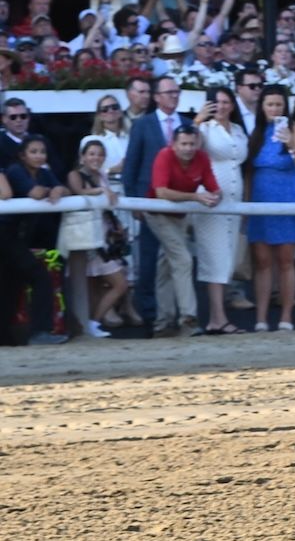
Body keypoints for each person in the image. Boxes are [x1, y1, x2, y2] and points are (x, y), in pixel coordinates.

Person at [122, 77, 190, 328]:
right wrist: (135, 203)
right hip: (149, 203)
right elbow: (131, 165)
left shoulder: (187, 124)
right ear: (157, 97)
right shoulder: (142, 125)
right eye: (168, 92)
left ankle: (169, 315)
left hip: (181, 206)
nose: (173, 96)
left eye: (176, 91)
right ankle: (151, 316)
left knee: (171, 262)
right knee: (149, 261)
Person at [246, 84, 295, 332]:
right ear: (262, 107)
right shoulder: (256, 132)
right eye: (270, 105)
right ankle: (261, 318)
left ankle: (286, 317)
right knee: (262, 261)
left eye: (278, 105)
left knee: (285, 260)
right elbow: (249, 171)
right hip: (260, 200)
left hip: (287, 198)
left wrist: (291, 144)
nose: (274, 109)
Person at [148, 124, 220, 338]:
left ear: (197, 143)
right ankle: (188, 319)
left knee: (167, 265)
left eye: (191, 144)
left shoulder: (202, 158)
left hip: (179, 216)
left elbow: (214, 188)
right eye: (184, 144)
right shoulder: (164, 156)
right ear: (174, 144)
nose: (188, 148)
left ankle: (163, 322)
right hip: (158, 213)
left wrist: (215, 197)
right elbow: (161, 192)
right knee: (183, 259)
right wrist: (197, 197)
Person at [192, 87, 249, 335]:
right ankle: (217, 318)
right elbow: (185, 146)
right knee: (215, 260)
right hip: (211, 203)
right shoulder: (203, 130)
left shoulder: (238, 130)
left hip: (233, 205)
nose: (222, 106)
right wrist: (197, 119)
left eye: (226, 102)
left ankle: (219, 317)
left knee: (227, 260)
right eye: (217, 102)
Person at [63, 138, 127, 339]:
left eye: (100, 154)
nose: (96, 158)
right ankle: (91, 323)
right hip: (86, 239)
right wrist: (101, 190)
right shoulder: (74, 174)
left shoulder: (102, 176)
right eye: (91, 154)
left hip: (102, 238)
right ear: (82, 157)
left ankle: (90, 324)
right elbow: (79, 191)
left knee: (100, 286)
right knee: (118, 284)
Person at [0, 167, 67, 346]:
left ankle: (6, 336)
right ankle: (40, 332)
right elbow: (6, 193)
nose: (39, 156)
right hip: (6, 235)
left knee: (11, 284)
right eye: (34, 151)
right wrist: (49, 190)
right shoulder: (15, 171)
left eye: (42, 151)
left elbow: (63, 188)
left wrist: (56, 189)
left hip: (13, 235)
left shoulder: (42, 173)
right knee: (39, 278)